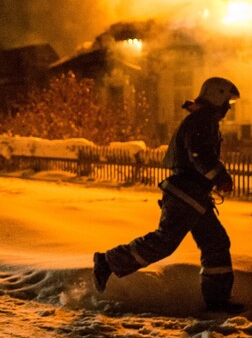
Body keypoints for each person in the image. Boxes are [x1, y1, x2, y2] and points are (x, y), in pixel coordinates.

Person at [93, 77, 243, 314]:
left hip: (193, 196)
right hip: (186, 194)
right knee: (164, 242)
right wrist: (220, 177)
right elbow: (199, 154)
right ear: (218, 97)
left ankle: (217, 302)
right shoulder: (202, 121)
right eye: (227, 102)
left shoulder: (202, 120)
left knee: (216, 243)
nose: (228, 108)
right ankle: (108, 261)